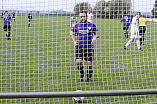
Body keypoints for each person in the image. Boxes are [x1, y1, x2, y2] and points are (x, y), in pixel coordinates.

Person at [71, 11, 99, 82]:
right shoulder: (76, 26)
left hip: (89, 47)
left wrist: (94, 37)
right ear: (79, 17)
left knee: (89, 63)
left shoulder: (92, 25)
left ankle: (88, 78)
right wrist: (74, 41)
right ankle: (82, 73)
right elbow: (72, 34)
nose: (82, 18)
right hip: (79, 46)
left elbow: (97, 34)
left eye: (84, 16)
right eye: (81, 17)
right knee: (78, 62)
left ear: (86, 16)